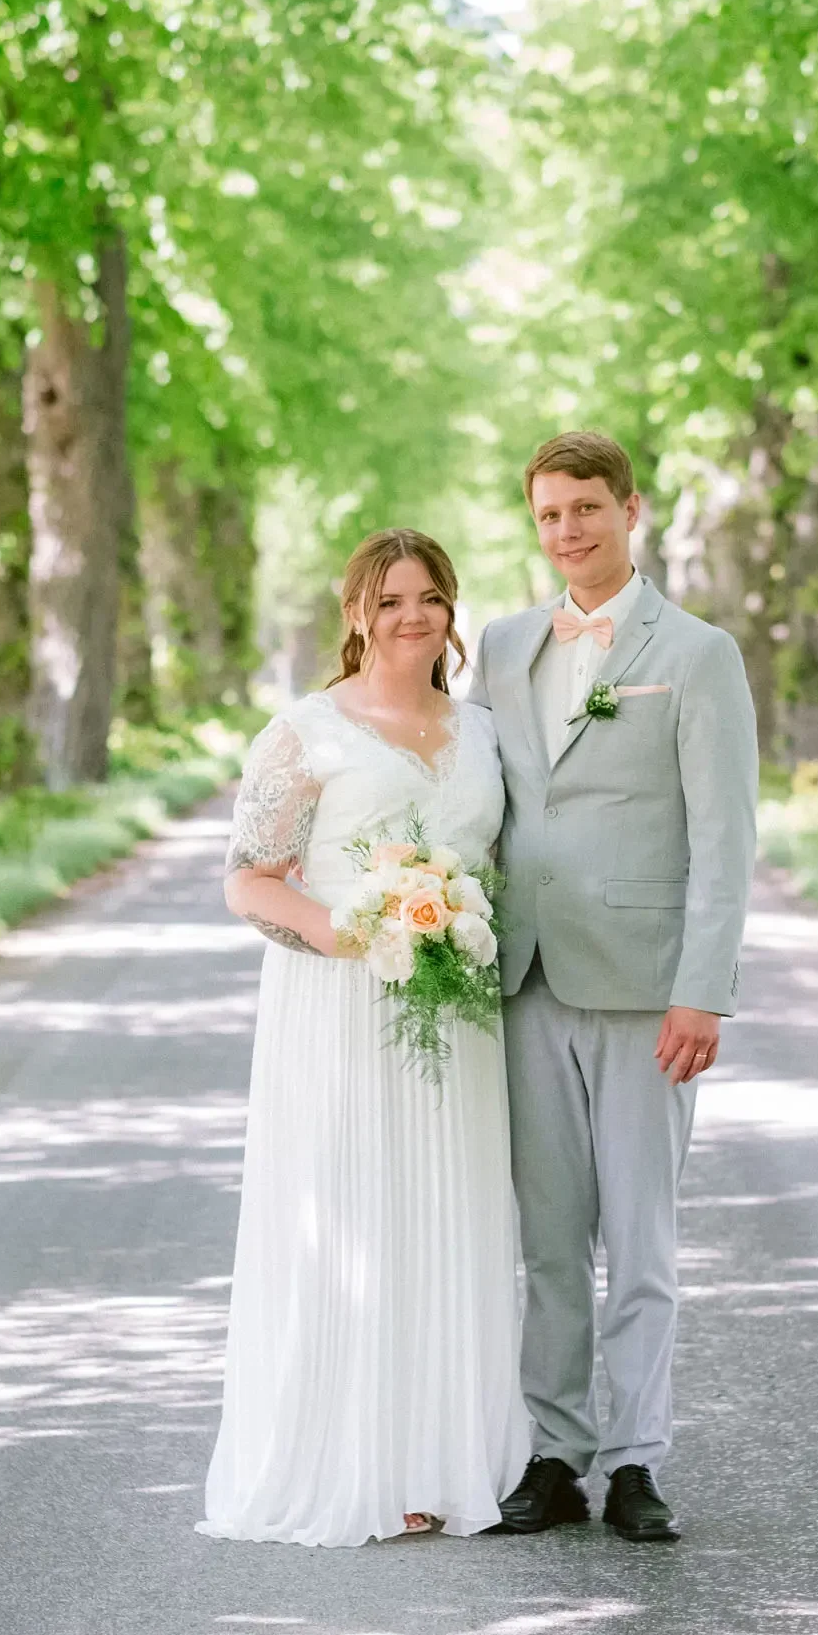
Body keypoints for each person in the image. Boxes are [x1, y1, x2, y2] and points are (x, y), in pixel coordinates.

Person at [198, 528, 531, 1547]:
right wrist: (341, 929)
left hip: (456, 1012)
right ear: (356, 614)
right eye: (390, 600)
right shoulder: (306, 732)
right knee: (354, 1211)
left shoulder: (483, 731)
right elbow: (248, 876)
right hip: (339, 1002)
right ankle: (351, 1461)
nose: (413, 616)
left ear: (451, 609)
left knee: (447, 1215)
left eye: (429, 596)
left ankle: (440, 1457)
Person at [476, 431, 759, 1543]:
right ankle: (555, 1454)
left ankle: (637, 1458)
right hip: (527, 976)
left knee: (640, 1239)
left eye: (586, 508)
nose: (567, 531)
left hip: (649, 989)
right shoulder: (501, 647)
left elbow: (724, 835)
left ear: (630, 511)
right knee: (546, 1240)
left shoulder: (695, 653)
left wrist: (705, 988)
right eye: (548, 514)